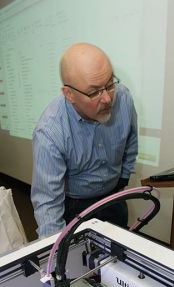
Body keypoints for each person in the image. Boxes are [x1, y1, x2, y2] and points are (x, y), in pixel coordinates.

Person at [31, 42, 138, 237]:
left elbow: (131, 140)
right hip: (76, 207)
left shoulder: (123, 98)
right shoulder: (49, 132)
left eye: (109, 84)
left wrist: (123, 178)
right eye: (94, 92)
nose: (107, 99)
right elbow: (48, 204)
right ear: (69, 94)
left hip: (114, 197)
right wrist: (54, 255)